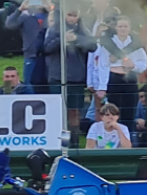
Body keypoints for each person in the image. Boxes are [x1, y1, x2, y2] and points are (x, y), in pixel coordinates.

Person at [44, 3, 97, 148]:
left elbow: (93, 46)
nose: (72, 18)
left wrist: (76, 40)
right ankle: (59, 142)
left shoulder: (82, 30)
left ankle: (74, 142)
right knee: (58, 112)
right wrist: (63, 39)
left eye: (75, 15)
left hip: (76, 77)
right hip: (57, 77)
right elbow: (46, 48)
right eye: (70, 15)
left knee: (74, 112)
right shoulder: (54, 29)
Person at [96, 15, 147, 131]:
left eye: (125, 26)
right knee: (113, 112)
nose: (123, 29)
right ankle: (114, 140)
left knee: (129, 112)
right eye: (120, 26)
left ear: (129, 28)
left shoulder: (136, 44)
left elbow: (143, 63)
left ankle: (128, 141)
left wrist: (133, 65)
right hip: (114, 79)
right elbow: (103, 65)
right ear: (116, 28)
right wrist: (102, 86)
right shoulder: (109, 44)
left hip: (130, 79)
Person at [5, 0, 51, 86]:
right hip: (30, 56)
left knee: (49, 85)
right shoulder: (25, 16)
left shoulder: (51, 16)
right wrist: (20, 9)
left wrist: (51, 10)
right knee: (29, 85)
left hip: (50, 56)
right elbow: (9, 24)